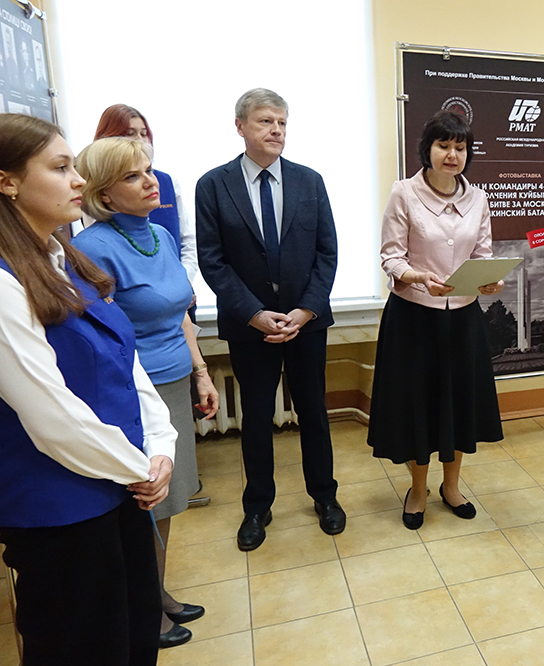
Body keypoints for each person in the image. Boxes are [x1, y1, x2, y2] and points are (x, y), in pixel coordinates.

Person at [0, 113, 176, 664]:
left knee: (135, 636)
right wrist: (139, 467)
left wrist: (162, 446)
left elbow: (126, 360)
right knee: (84, 648)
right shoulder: (5, 282)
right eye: (59, 168)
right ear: (7, 182)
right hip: (61, 514)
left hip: (120, 489)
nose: (77, 179)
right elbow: (51, 417)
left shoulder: (61, 258)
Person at [72, 137, 219, 648]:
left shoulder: (158, 234)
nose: (150, 182)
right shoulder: (92, 249)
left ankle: (157, 593)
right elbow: (98, 337)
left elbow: (179, 313)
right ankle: (145, 611)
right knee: (144, 505)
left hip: (174, 380)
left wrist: (201, 372)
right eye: (132, 176)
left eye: (148, 170)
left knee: (169, 499)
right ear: (104, 195)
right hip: (133, 392)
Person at [196, 88, 344, 550]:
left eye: (281, 122)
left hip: (306, 323)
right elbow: (212, 261)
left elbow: (327, 253)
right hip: (249, 327)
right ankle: (257, 506)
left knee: (314, 412)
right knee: (257, 418)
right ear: (240, 126)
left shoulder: (309, 181)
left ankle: (325, 496)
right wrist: (255, 314)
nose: (276, 130)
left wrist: (306, 310)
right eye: (265, 121)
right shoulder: (213, 185)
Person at [368, 110, 504, 530]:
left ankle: (452, 486)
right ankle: (417, 489)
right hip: (413, 317)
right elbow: (391, 255)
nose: (452, 155)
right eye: (443, 145)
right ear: (427, 149)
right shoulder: (404, 193)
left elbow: (482, 253)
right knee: (418, 406)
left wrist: (489, 280)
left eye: (460, 147)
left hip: (463, 320)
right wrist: (415, 277)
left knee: (458, 404)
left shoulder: (478, 198)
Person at [89, 104, 198, 284]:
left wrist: (182, 283)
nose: (140, 140)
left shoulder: (166, 183)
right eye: (130, 133)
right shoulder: (93, 241)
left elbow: (188, 240)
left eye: (144, 133)